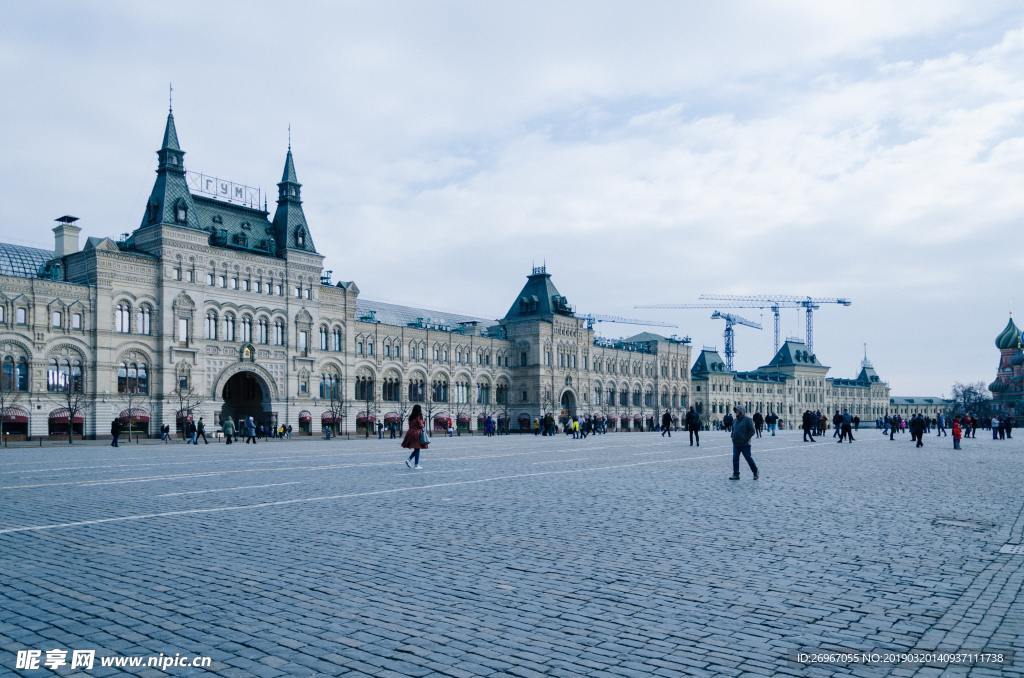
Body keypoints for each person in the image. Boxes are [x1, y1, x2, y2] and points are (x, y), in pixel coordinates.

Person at [728, 407, 758, 481]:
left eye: (737, 411)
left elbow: (752, 431)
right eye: (735, 411)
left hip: (745, 444)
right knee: (735, 459)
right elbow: (733, 429)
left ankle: (755, 472)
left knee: (748, 459)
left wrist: (745, 439)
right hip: (736, 444)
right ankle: (736, 474)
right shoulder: (734, 421)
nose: (736, 412)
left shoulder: (748, 420)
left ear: (741, 411)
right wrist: (732, 436)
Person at [403, 404, 428, 469]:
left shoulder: (411, 416)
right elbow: (421, 425)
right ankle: (414, 463)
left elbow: (410, 425)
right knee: (417, 448)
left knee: (417, 449)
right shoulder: (419, 416)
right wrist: (423, 422)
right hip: (417, 433)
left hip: (410, 433)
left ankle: (413, 462)